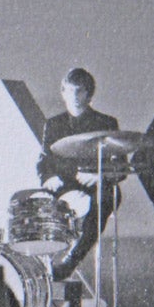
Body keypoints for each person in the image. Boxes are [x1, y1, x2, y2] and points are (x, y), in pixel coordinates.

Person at [36, 67, 123, 281]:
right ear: (63, 92)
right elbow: (44, 160)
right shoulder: (53, 124)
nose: (74, 96)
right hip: (64, 184)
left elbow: (121, 166)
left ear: (88, 93)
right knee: (37, 202)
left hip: (96, 184)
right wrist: (48, 177)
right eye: (70, 90)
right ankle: (43, 265)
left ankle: (70, 261)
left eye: (80, 91)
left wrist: (101, 176)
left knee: (107, 197)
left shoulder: (106, 123)